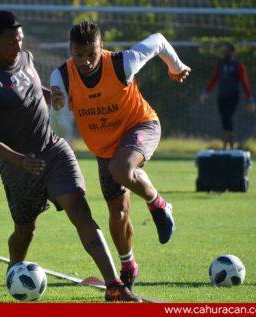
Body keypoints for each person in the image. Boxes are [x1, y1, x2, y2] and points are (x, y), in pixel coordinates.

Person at [0, 11, 141, 302]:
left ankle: (114, 286)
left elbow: (31, 87)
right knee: (25, 230)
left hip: (53, 150)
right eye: (11, 41)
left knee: (80, 210)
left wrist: (51, 95)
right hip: (19, 167)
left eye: (20, 39)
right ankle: (15, 269)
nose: (18, 45)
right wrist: (21, 160)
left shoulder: (25, 58)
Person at [50, 21, 190, 291]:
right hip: (105, 149)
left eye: (92, 54)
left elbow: (159, 39)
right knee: (118, 212)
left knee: (122, 169)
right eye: (79, 55)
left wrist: (176, 66)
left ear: (101, 47)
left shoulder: (121, 63)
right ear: (71, 50)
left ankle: (159, 205)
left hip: (142, 126)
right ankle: (128, 264)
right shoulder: (61, 77)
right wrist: (57, 110)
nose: (87, 62)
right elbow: (60, 127)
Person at [200, 43, 256, 149]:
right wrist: (206, 92)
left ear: (233, 52)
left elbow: (244, 82)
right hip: (222, 96)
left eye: (228, 50)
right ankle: (228, 144)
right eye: (225, 50)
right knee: (224, 118)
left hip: (233, 96)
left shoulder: (238, 66)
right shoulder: (220, 65)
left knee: (228, 116)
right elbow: (214, 79)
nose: (226, 52)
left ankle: (228, 145)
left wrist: (250, 99)